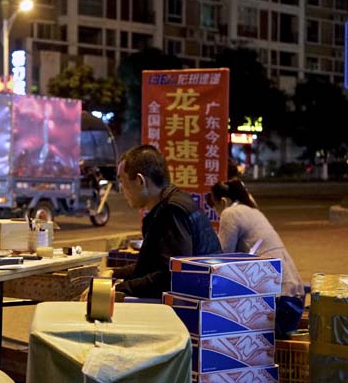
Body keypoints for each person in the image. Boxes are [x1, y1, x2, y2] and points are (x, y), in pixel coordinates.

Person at [108, 145, 222, 299]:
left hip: (196, 307)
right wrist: (114, 273)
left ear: (140, 181)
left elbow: (171, 276)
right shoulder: (172, 203)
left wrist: (117, 289)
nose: (121, 190)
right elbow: (153, 267)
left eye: (122, 181)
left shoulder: (172, 211)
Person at [208, 179, 305, 338]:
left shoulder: (230, 213)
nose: (216, 211)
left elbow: (223, 257)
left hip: (279, 302)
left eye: (215, 205)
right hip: (294, 298)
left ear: (223, 201)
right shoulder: (253, 211)